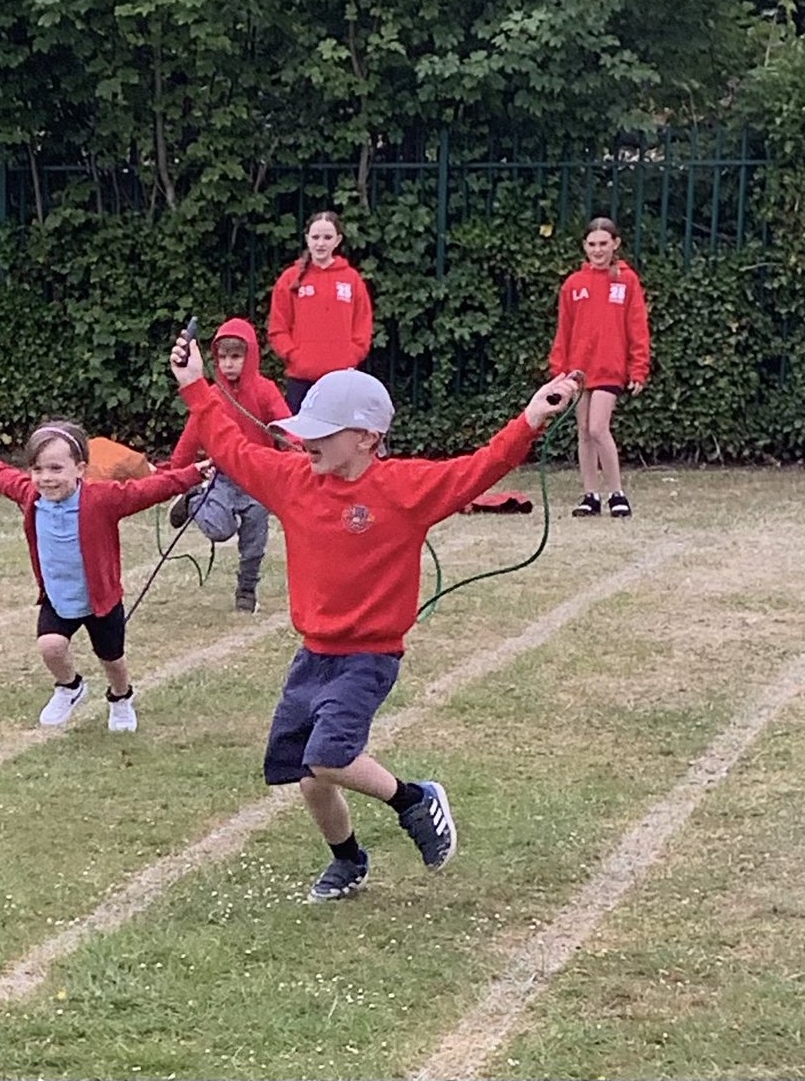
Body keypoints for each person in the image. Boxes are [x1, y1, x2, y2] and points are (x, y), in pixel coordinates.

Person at [169, 335, 579, 901]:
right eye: (304, 431)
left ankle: (414, 799)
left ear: (366, 437)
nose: (305, 441)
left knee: (329, 756)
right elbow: (230, 447)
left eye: (322, 432)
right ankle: (349, 860)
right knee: (309, 776)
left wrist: (531, 418)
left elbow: (481, 467)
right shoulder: (291, 481)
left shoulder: (403, 488)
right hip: (312, 655)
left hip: (369, 656)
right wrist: (195, 384)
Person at [0, 420, 208, 730]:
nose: (46, 478)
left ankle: (121, 698)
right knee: (50, 646)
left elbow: (148, 489)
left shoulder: (101, 499)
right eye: (38, 469)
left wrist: (193, 473)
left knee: (112, 660)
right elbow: (5, 478)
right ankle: (70, 687)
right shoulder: (31, 495)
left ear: (80, 469)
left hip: (101, 600)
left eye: (56, 469)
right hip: (58, 597)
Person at [167, 318, 291, 614]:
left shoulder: (265, 390)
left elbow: (285, 424)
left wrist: (295, 447)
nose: (228, 364)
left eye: (235, 357)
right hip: (223, 477)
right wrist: (175, 474)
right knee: (219, 528)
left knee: (254, 542)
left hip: (258, 480)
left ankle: (246, 590)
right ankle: (193, 501)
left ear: (250, 357)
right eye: (222, 357)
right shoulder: (212, 395)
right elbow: (192, 434)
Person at [549, 217, 651, 518]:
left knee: (597, 427)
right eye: (592, 244)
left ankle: (617, 494)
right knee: (583, 430)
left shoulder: (627, 281)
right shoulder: (573, 284)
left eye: (603, 244)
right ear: (584, 246)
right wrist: (559, 371)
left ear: (615, 244)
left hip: (610, 367)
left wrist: (638, 367)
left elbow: (637, 326)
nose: (598, 250)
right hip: (579, 370)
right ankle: (590, 495)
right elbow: (564, 331)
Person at [267, 210, 374, 413]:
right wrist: (294, 356)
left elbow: (363, 324)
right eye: (315, 237)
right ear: (307, 238)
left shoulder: (352, 279)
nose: (321, 243)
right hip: (301, 378)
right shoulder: (290, 279)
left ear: (338, 240)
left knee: (340, 431)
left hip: (342, 378)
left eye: (327, 237)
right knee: (300, 432)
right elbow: (278, 327)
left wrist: (351, 356)